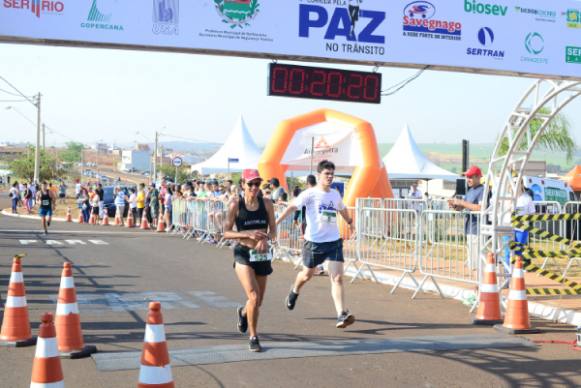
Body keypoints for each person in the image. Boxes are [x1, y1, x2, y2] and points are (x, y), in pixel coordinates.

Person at [276, 160, 356, 329]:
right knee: (307, 275)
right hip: (314, 242)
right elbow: (291, 207)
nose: (330, 177)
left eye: (332, 174)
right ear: (319, 175)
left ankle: (341, 314)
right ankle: (294, 291)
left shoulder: (334, 194)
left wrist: (349, 221)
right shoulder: (309, 194)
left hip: (333, 241)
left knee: (337, 277)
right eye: (327, 174)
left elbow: (341, 209)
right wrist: (275, 222)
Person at [223, 169, 276, 352]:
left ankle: (243, 312)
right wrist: (246, 234)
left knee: (257, 301)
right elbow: (226, 232)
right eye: (250, 184)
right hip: (243, 253)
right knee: (253, 296)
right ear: (243, 185)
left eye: (257, 184)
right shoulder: (236, 204)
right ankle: (253, 336)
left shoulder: (267, 203)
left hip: (261, 255)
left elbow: (273, 231)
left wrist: (264, 239)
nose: (254, 187)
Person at [448, 165, 485, 270]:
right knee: (472, 263)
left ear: (478, 177)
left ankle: (480, 283)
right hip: (469, 229)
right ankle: (478, 282)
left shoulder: (483, 190)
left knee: (477, 264)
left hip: (477, 230)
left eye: (470, 177)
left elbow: (481, 208)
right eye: (467, 177)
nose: (468, 179)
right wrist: (456, 206)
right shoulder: (470, 191)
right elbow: (464, 206)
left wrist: (462, 202)